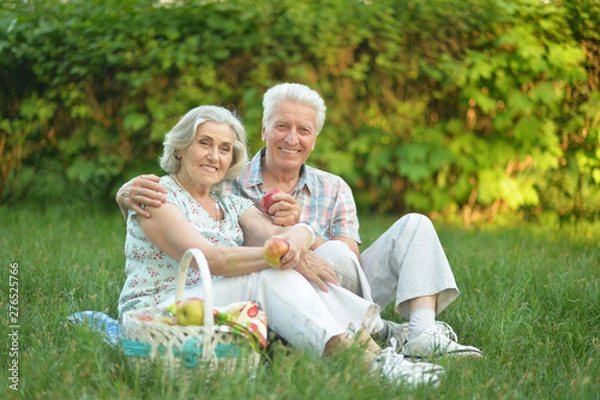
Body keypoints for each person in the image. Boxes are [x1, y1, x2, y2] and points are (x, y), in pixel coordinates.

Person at [117, 83, 482, 359]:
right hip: (242, 291)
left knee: (390, 233)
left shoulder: (328, 188)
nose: (292, 139)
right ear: (263, 130)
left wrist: (302, 233)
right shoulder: (230, 182)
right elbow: (171, 219)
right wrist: (123, 195)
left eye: (303, 130)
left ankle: (419, 333)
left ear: (314, 138)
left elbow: (344, 262)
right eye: (281, 127)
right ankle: (382, 338)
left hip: (329, 283)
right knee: (282, 269)